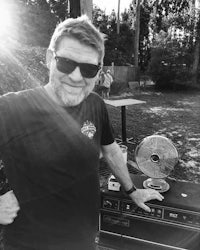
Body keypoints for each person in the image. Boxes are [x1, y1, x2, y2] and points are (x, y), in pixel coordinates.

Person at [0, 15, 164, 250]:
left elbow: (111, 151)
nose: (76, 77)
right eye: (66, 63)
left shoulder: (96, 104)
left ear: (98, 72)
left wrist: (132, 191)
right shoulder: (11, 108)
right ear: (49, 59)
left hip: (85, 238)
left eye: (88, 68)